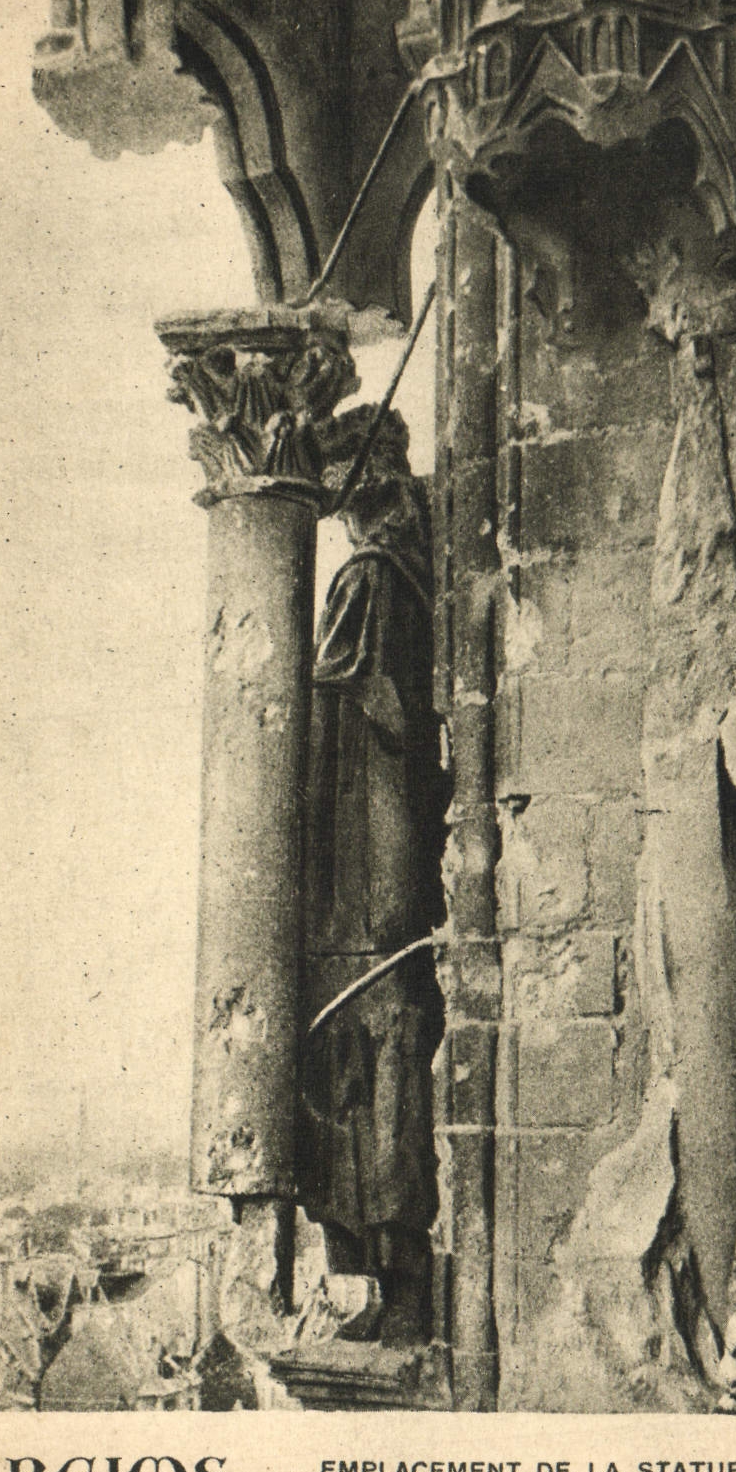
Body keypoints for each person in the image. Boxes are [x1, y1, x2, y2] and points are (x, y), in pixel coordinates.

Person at [298, 422, 445, 1347]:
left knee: (356, 1050)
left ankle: (379, 1270)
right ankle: (386, 1269)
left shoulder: (368, 577)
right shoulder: (405, 572)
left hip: (360, 845)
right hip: (385, 832)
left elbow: (355, 701)